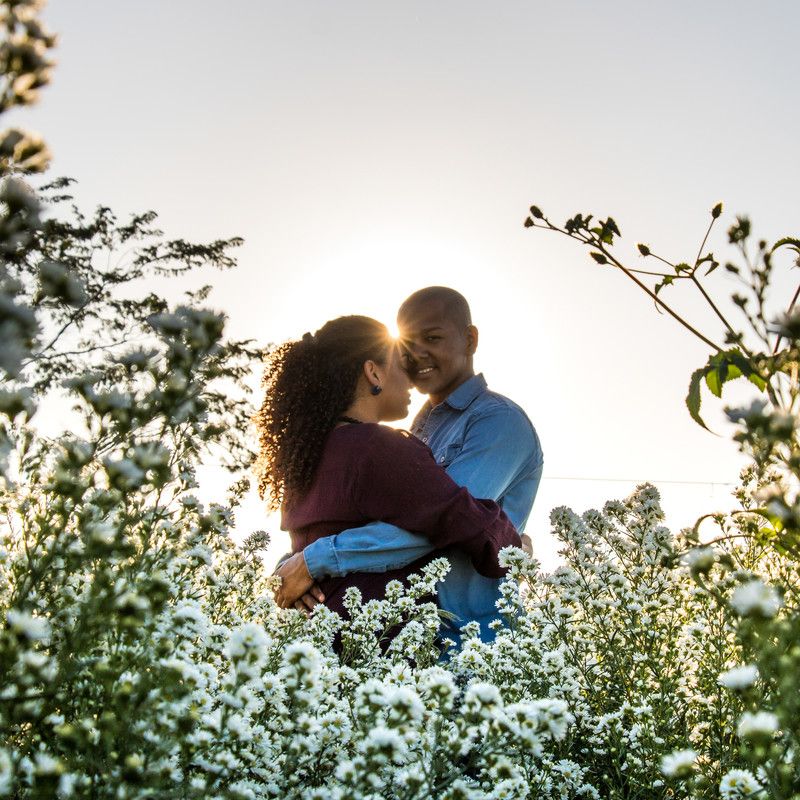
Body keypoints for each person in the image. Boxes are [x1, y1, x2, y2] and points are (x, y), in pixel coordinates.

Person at [276, 288, 543, 644]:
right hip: (403, 641)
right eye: (406, 346)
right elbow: (445, 518)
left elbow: (447, 526)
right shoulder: (403, 433)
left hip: (471, 643)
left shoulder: (498, 421)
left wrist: (312, 561)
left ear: (470, 339)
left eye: (432, 338)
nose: (417, 354)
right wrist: (293, 564)